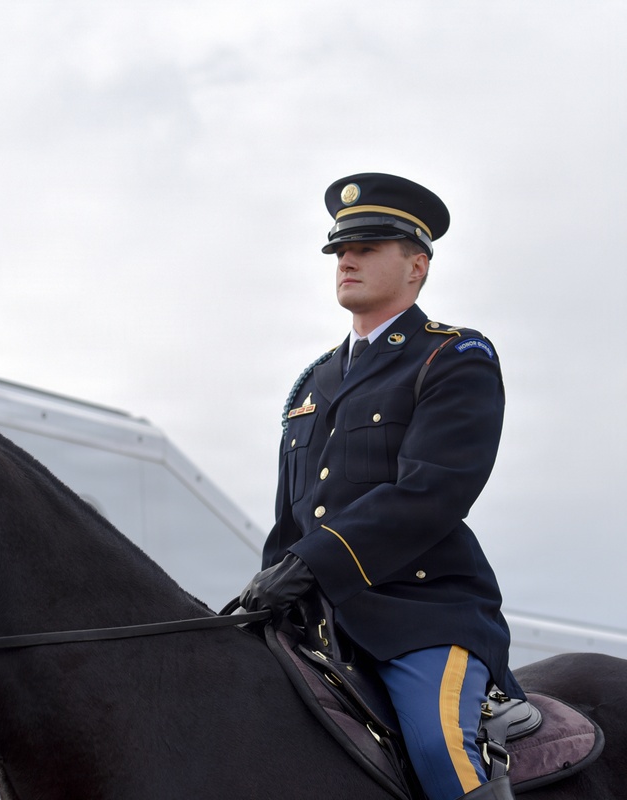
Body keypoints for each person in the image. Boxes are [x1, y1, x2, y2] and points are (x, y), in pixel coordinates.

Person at [241, 173, 523, 800]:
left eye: (367, 249)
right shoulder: (312, 382)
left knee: (438, 748)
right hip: (316, 621)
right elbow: (292, 517)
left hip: (419, 614)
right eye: (341, 250)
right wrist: (268, 588)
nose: (346, 261)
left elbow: (433, 492)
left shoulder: (454, 357)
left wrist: (310, 563)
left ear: (417, 266)